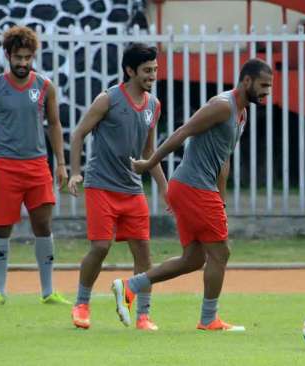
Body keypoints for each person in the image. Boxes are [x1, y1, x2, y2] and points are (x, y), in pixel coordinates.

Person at [110, 58, 273, 332]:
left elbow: (223, 160)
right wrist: (150, 163)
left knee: (194, 259)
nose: (267, 91)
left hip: (195, 189)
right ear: (247, 81)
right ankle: (209, 319)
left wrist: (220, 199)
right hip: (193, 187)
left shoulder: (241, 114)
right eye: (264, 85)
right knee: (221, 253)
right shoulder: (222, 106)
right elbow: (183, 131)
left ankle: (130, 286)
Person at [68, 43, 167, 331]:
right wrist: (75, 173)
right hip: (100, 186)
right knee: (100, 246)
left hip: (133, 190)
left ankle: (143, 316)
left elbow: (150, 153)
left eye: (155, 70)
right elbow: (78, 135)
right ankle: (82, 304)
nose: (152, 75)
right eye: (147, 71)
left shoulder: (153, 105)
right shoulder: (107, 99)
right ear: (130, 70)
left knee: (144, 253)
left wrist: (164, 188)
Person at [0, 25, 69, 306]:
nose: (23, 63)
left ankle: (48, 291)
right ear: (7, 55)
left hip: (38, 166)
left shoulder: (45, 86)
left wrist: (61, 164)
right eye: (18, 57)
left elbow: (54, 125)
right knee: (2, 227)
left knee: (43, 225)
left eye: (28, 57)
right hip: (5, 166)